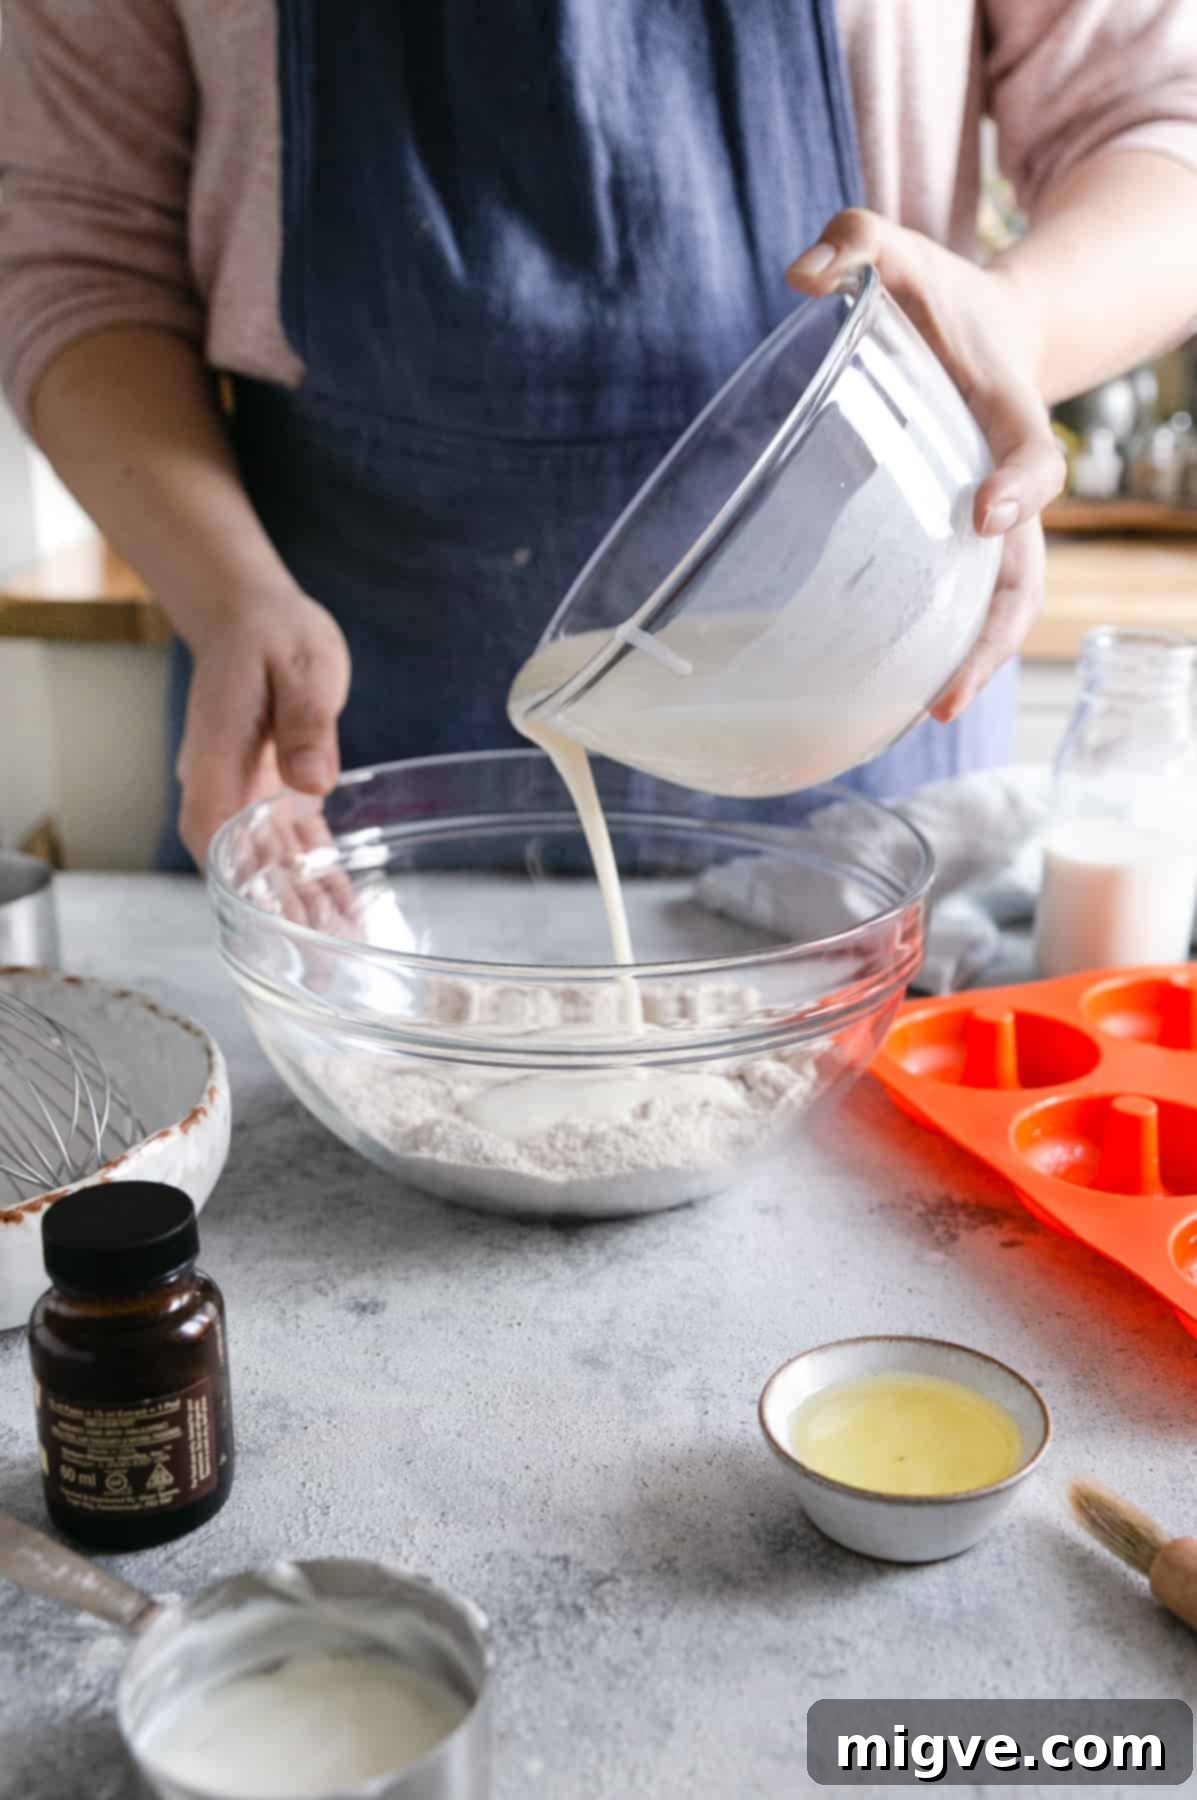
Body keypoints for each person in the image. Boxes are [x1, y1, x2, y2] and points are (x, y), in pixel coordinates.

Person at [2, 2, 1196, 872]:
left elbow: (1161, 114)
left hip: (858, 666)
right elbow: (73, 245)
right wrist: (227, 596)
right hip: (340, 698)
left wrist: (1016, 328)